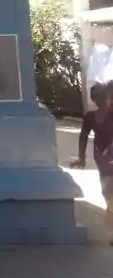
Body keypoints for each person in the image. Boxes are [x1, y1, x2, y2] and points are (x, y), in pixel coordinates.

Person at [71, 82, 113, 244]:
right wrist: (81, 157)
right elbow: (83, 136)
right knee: (108, 194)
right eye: (100, 97)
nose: (105, 100)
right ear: (94, 99)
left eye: (106, 96)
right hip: (102, 160)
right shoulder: (91, 117)